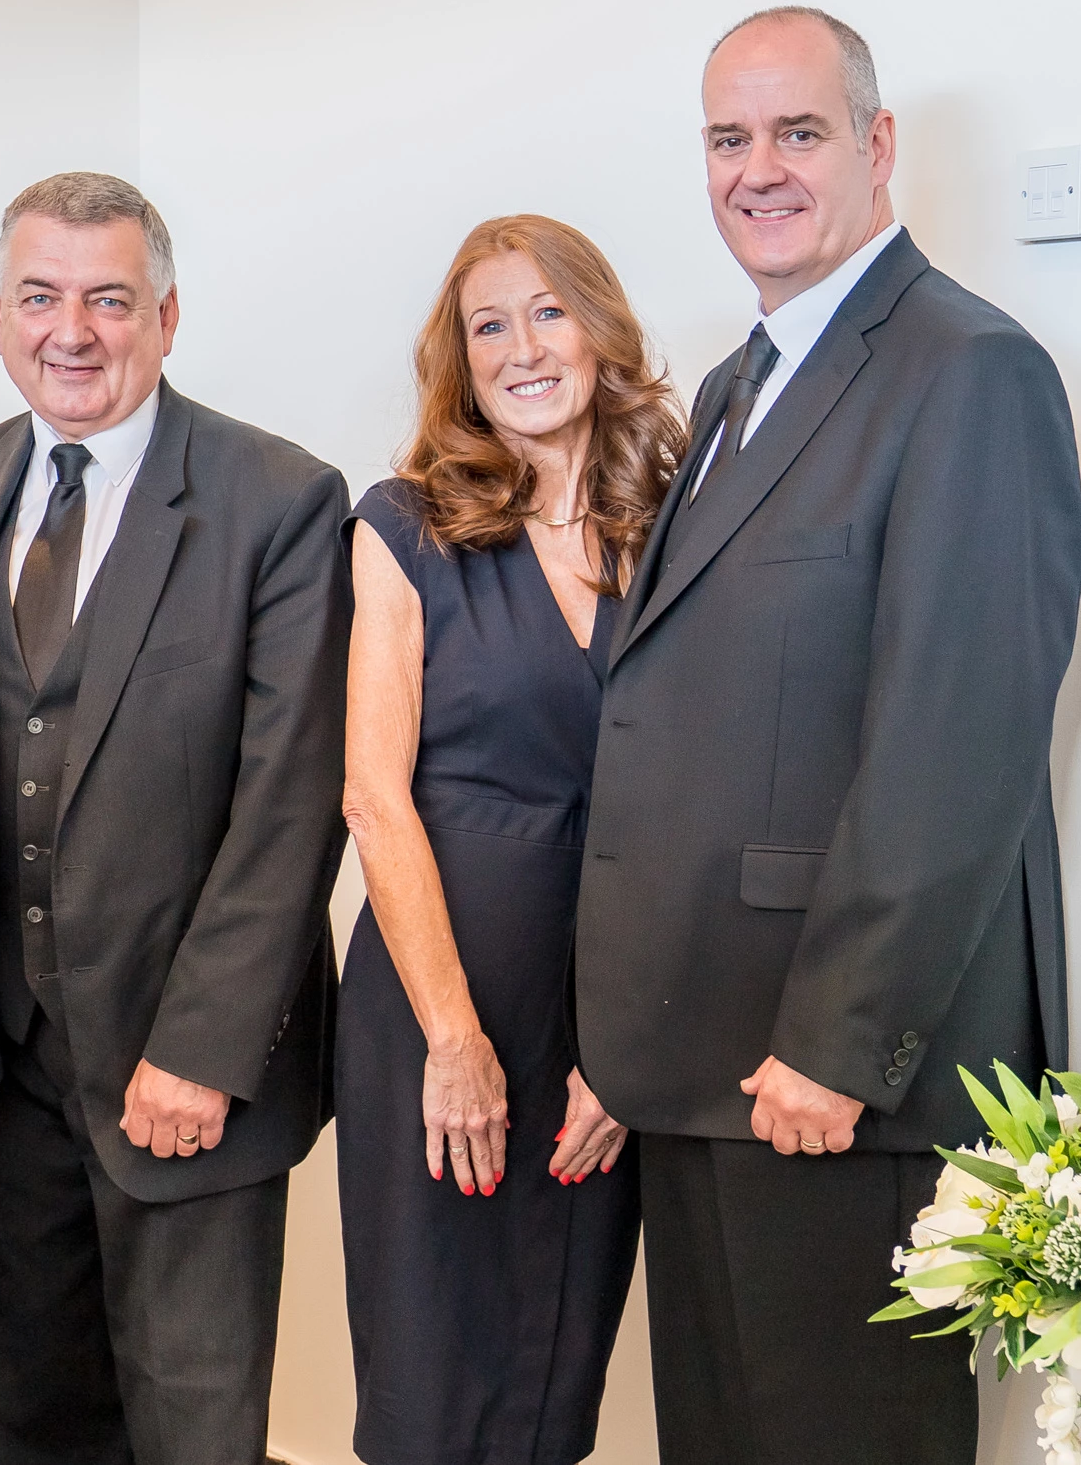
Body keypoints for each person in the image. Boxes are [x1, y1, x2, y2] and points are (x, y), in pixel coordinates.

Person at [577, 7, 1081, 1465]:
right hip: (704, 1057)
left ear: (875, 147)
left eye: (797, 132)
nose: (760, 170)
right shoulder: (739, 382)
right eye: (729, 139)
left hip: (837, 1073)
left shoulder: (965, 369)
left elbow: (960, 744)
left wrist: (839, 1044)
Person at [0, 172, 351, 1465]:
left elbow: (290, 798)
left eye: (110, 298)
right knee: (19, 1422)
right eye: (41, 297)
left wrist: (205, 1050)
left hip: (186, 1072)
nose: (74, 330)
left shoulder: (277, 497)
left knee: (195, 1432)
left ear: (166, 315)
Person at [336, 216, 679, 1464]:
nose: (524, 348)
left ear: (599, 328)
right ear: (462, 364)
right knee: (433, 1392)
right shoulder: (405, 524)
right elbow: (374, 796)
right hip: (439, 1012)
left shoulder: (678, 522)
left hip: (606, 1016)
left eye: (547, 312)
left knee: (552, 1383)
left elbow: (699, 802)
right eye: (491, 325)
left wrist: (629, 1053)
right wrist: (455, 1043)